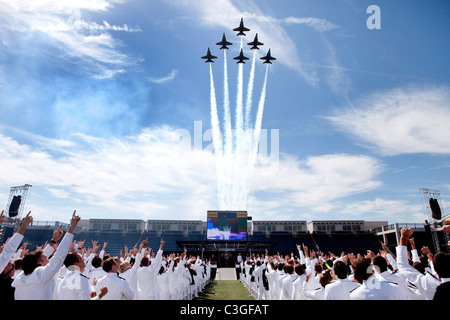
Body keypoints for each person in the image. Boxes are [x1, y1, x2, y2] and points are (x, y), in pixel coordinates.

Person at [12, 210, 80, 300]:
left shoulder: (21, 277)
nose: (49, 260)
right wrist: (71, 228)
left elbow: (41, 256)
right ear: (39, 264)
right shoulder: (40, 276)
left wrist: (53, 241)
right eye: (47, 259)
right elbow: (59, 256)